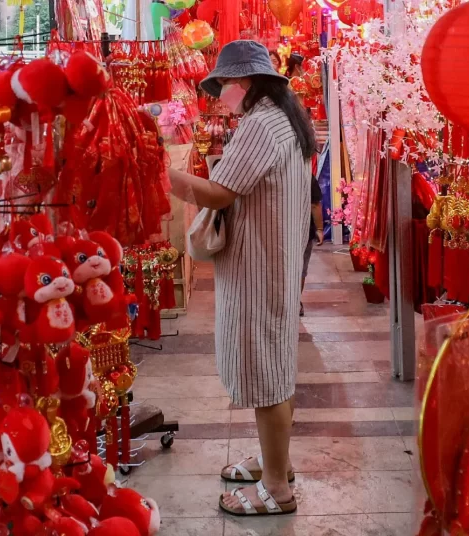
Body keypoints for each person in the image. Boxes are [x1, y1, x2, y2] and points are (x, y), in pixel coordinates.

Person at [167, 40, 316, 517]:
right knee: (275, 368)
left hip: (260, 267)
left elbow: (219, 192)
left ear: (247, 82)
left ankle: (277, 488)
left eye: (227, 83)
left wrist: (166, 177)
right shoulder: (283, 119)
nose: (223, 94)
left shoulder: (260, 125)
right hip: (274, 261)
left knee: (265, 375)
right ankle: (277, 463)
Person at [300, 176, 324, 317]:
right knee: (301, 268)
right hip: (304, 230)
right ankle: (296, 302)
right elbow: (314, 205)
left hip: (280, 229)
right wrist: (319, 229)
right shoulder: (307, 176)